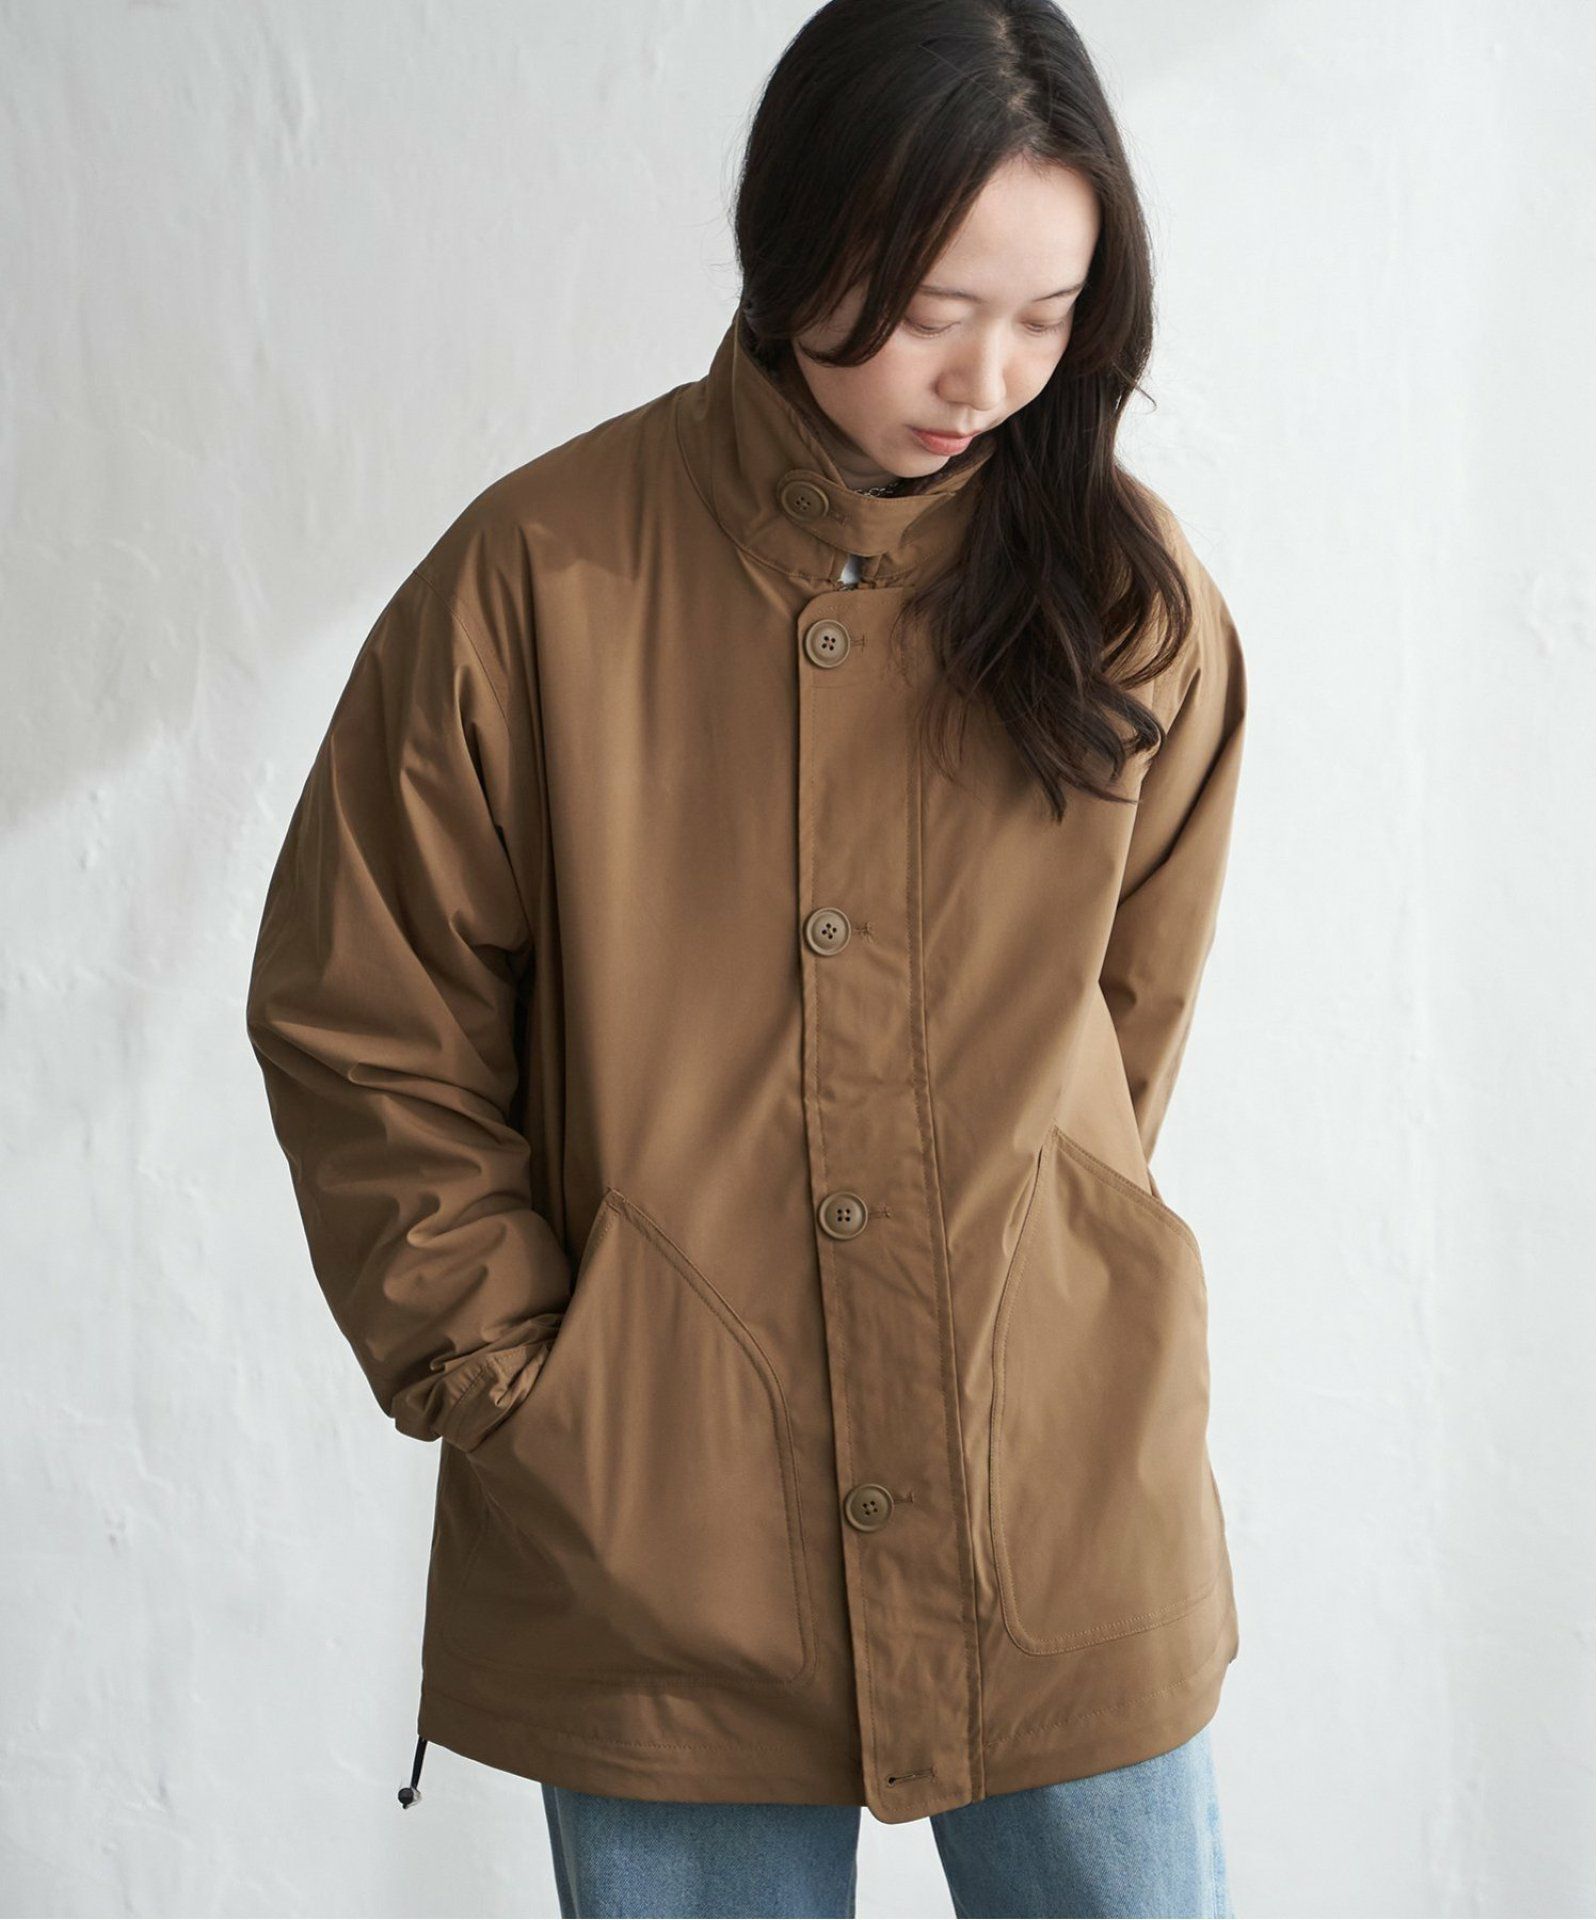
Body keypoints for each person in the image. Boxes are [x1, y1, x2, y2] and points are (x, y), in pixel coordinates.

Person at [245, 0, 1249, 1913]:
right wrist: (525, 1383)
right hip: (658, 1546)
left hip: (1061, 1502)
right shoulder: (539, 580)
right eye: (937, 306)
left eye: (1050, 317)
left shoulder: (1125, 598)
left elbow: (1125, 1031)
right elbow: (363, 1018)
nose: (989, 376)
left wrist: (1046, 1261)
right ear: (801, 243)